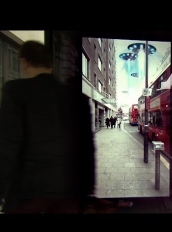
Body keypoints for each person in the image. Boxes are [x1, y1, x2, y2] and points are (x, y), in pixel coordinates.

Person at [0, 40, 113, 214]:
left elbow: (8, 145)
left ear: (24, 62)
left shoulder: (16, 91)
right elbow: (88, 149)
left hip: (28, 193)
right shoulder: (78, 99)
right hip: (70, 194)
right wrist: (87, 191)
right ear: (51, 65)